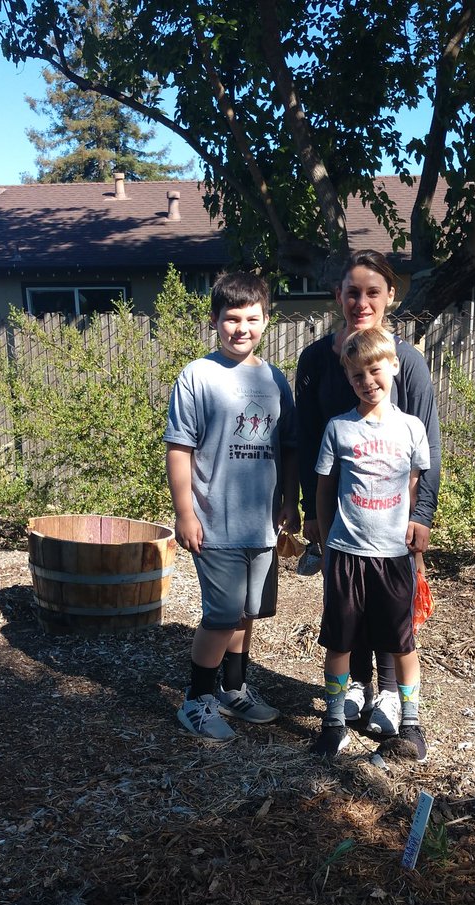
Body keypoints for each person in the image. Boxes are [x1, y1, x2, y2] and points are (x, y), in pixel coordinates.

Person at [296, 250, 441, 739]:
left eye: (373, 292)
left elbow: (427, 450)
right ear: (338, 295)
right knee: (347, 610)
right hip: (343, 520)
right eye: (352, 292)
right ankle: (355, 686)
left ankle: (388, 692)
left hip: (391, 520)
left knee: (391, 613)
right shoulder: (316, 360)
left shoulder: (408, 363)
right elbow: (307, 438)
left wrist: (422, 514)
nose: (362, 302)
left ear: (390, 296)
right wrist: (309, 512)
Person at [164, 272, 300, 741]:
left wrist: (290, 500)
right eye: (232, 318)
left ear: (266, 320)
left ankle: (233, 689)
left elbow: (289, 447)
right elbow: (179, 449)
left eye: (252, 318)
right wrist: (185, 512)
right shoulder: (197, 376)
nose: (242, 328)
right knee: (221, 615)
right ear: (215, 320)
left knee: (247, 613)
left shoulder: (274, 379)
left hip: (261, 525)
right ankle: (196, 701)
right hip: (214, 522)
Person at [313, 326, 430, 761]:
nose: (368, 381)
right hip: (347, 555)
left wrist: (417, 553)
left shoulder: (412, 428)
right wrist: (328, 544)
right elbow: (325, 491)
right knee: (339, 642)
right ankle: (333, 723)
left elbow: (415, 490)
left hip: (394, 557)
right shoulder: (338, 429)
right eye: (358, 375)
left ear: (394, 366)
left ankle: (411, 725)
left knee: (402, 642)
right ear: (348, 378)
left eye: (375, 370)